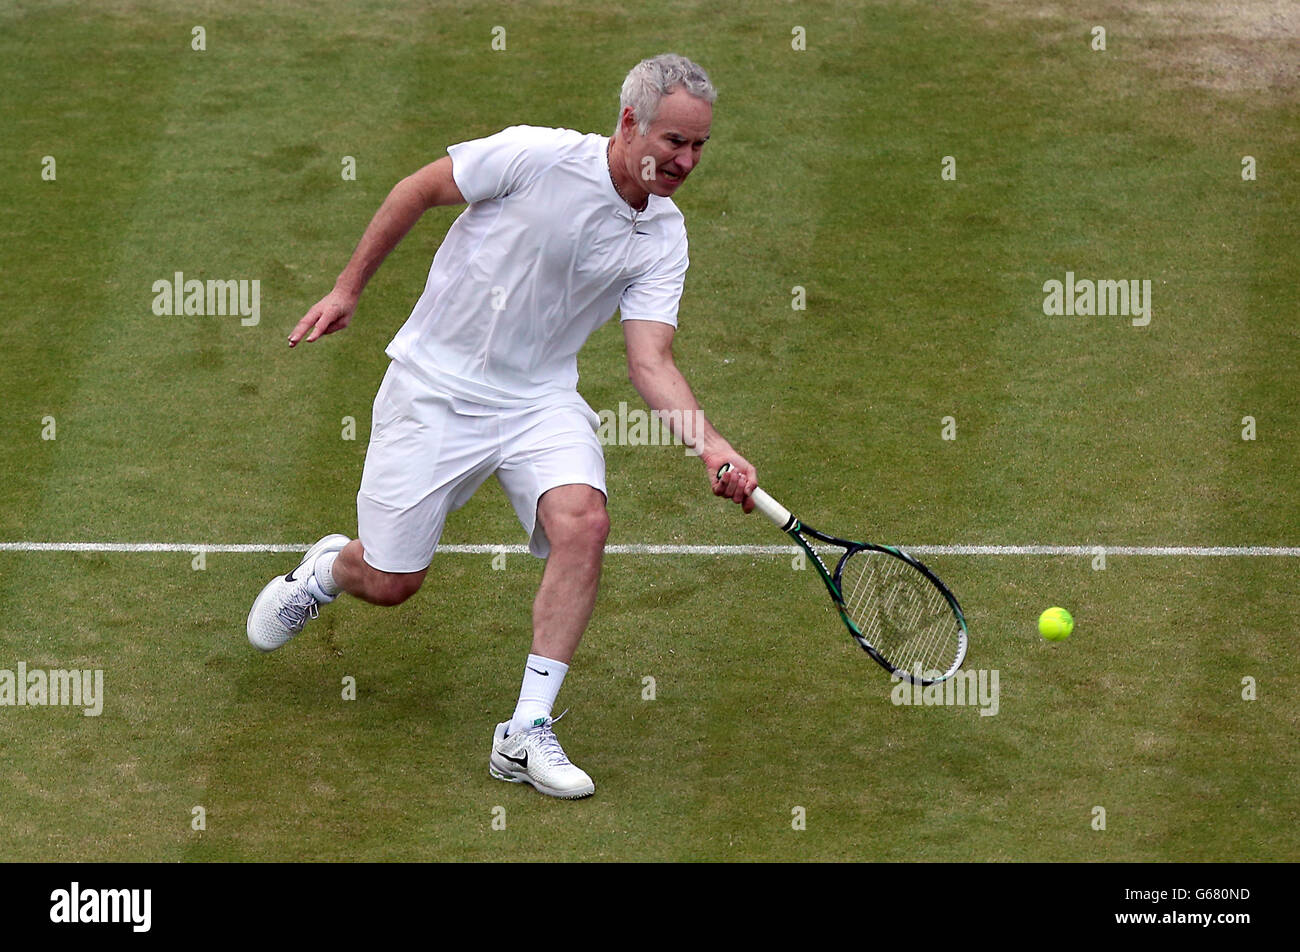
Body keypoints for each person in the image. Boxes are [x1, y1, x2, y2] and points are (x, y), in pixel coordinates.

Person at [247, 53, 757, 799]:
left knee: (583, 522)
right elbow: (417, 190)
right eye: (675, 142)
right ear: (629, 123)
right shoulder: (537, 155)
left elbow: (650, 361)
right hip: (432, 387)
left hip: (539, 400)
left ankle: (525, 732)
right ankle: (328, 571)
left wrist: (711, 446)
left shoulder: (664, 236)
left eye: (699, 147)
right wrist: (347, 289)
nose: (686, 160)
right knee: (392, 583)